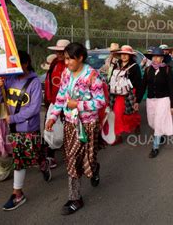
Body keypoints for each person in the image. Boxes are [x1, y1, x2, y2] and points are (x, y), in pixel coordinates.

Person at [45, 42, 106, 215]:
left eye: (70, 59)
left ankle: (94, 168)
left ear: (80, 58)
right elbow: (61, 96)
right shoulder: (66, 73)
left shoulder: (92, 76)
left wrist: (77, 104)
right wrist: (53, 116)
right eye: (65, 59)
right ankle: (75, 198)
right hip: (71, 124)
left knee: (88, 159)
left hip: (88, 125)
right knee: (71, 159)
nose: (67, 63)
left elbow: (100, 101)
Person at [0, 51, 44, 211]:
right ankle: (19, 192)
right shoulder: (9, 79)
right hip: (14, 129)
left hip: (29, 128)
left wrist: (14, 118)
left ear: (26, 63)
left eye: (20, 65)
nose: (17, 69)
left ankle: (18, 194)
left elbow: (34, 108)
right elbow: (1, 99)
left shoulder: (35, 82)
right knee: (20, 158)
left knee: (23, 158)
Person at [141, 47, 173, 158]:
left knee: (158, 121)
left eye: (158, 57)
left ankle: (155, 148)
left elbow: (171, 88)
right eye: (154, 57)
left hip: (163, 99)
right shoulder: (148, 70)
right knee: (151, 122)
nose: (156, 59)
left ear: (162, 59)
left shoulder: (167, 70)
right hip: (151, 100)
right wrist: (137, 100)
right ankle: (160, 135)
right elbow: (143, 87)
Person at [44, 39, 71, 169]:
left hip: (68, 105)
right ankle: (50, 156)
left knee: (68, 130)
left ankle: (70, 154)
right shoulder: (54, 63)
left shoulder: (71, 65)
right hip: (54, 103)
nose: (59, 54)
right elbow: (49, 82)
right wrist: (48, 99)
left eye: (62, 52)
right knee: (50, 128)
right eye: (57, 51)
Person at [109, 45, 143, 141]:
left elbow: (139, 84)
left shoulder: (135, 67)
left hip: (130, 94)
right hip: (116, 94)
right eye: (122, 54)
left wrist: (137, 100)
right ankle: (118, 135)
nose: (123, 56)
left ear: (130, 56)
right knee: (117, 113)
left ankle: (136, 124)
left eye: (126, 54)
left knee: (131, 113)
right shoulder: (117, 64)